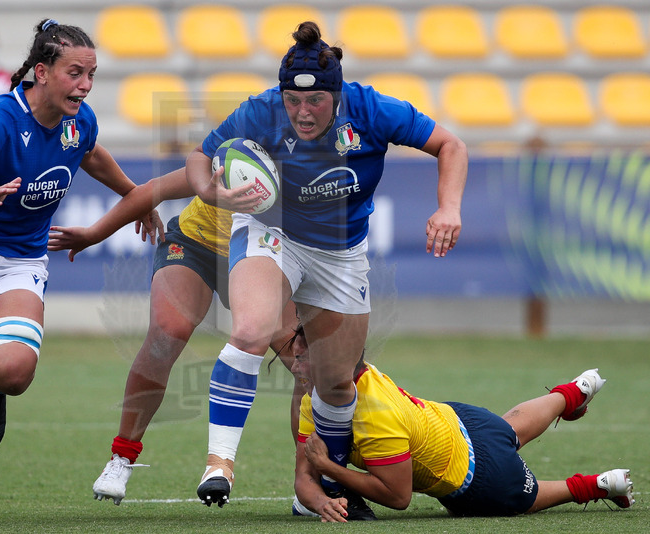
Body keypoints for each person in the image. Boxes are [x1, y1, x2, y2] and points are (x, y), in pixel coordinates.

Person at [0, 19, 164, 527]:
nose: (85, 85)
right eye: (75, 73)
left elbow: (92, 154)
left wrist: (134, 195)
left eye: (92, 74)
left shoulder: (76, 121)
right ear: (41, 72)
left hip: (19, 262)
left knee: (12, 373)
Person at [185, 21, 468, 506]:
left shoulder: (373, 108)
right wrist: (212, 190)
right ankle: (219, 464)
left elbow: (451, 145)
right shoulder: (260, 111)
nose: (302, 111)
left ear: (336, 95)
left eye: (314, 100)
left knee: (335, 382)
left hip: (340, 253)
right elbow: (199, 156)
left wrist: (449, 207)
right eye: (292, 101)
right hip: (271, 230)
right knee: (252, 330)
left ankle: (320, 486)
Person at [47, 175, 305, 505]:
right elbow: (154, 188)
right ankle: (121, 458)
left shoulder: (314, 156)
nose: (300, 119)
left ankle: (309, 480)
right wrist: (95, 233)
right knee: (166, 335)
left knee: (304, 361)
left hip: (263, 256)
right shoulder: (243, 132)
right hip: (197, 244)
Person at [288, 325, 635, 521]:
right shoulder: (320, 394)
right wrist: (321, 502)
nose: (294, 367)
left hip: (480, 478)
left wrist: (325, 465)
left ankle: (599, 484)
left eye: (303, 358)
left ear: (333, 365)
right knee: (509, 430)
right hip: (463, 419)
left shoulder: (376, 416)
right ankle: (574, 392)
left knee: (525, 498)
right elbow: (303, 478)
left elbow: (398, 497)